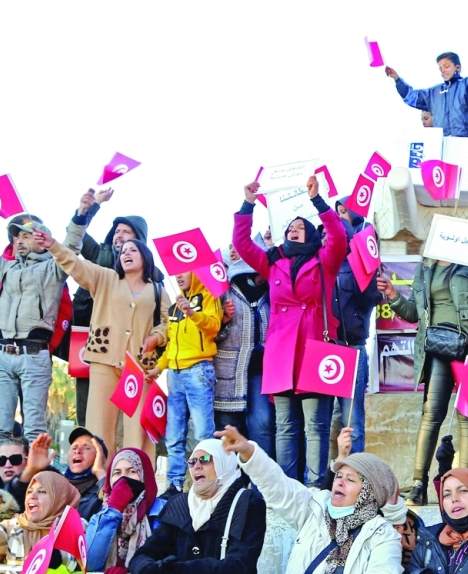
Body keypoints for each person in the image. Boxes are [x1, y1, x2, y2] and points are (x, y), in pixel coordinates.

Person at [218, 425, 401, 574]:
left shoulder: (383, 535)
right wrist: (249, 452)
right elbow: (278, 486)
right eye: (338, 476)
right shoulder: (314, 508)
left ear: (369, 492)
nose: (339, 482)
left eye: (350, 480)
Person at [233, 177, 346, 484]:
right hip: (281, 354)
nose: (292, 230)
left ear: (309, 232)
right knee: (285, 426)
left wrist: (318, 202)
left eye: (298, 227)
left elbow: (338, 237)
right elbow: (242, 244)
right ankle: (287, 487)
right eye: (289, 228)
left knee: (316, 426)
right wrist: (248, 204)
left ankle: (315, 486)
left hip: (314, 351)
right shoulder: (273, 262)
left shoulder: (324, 260)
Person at [376, 253, 468, 505]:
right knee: (431, 414)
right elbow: (414, 313)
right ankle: (418, 484)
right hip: (438, 347)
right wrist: (393, 295)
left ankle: (466, 486)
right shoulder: (425, 268)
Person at [32, 223, 169, 461]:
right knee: (99, 428)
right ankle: (100, 484)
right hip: (104, 363)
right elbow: (76, 264)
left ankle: (137, 482)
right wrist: (53, 245)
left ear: (145, 257)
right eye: (124, 250)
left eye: (133, 250)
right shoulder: (105, 278)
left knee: (138, 429)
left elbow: (168, 323)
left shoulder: (157, 290)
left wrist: (156, 336)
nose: (126, 253)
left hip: (139, 368)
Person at [0, 214, 82, 441]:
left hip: (33, 355)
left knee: (33, 429)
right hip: (1, 356)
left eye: (26, 236)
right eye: (17, 236)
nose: (19, 240)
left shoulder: (54, 270)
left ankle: (35, 477)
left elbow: (71, 248)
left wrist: (82, 214)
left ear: (41, 241)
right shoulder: (5, 268)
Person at [129, 439, 268, 574]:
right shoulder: (178, 504)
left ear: (224, 462)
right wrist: (149, 572)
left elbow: (238, 564)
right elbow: (144, 554)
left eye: (205, 459)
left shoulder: (248, 502)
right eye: (192, 462)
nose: (197, 466)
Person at [70, 188, 163, 425]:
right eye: (117, 231)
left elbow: (162, 317)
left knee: (132, 419)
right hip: (92, 344)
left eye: (126, 232)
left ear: (139, 241)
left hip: (134, 354)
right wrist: (91, 207)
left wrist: (156, 337)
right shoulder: (98, 254)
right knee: (92, 412)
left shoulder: (154, 277)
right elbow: (73, 242)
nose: (119, 236)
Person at [146, 271, 222, 497]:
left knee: (202, 432)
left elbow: (213, 326)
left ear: (195, 273)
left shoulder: (209, 296)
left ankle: (207, 482)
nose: (179, 276)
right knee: (173, 433)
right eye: (176, 273)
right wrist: (158, 368)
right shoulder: (173, 307)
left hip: (199, 369)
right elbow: (170, 346)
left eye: (183, 272)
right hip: (175, 374)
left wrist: (191, 312)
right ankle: (174, 485)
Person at [325, 199, 381, 455]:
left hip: (352, 348)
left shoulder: (361, 258)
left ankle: (357, 475)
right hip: (323, 351)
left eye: (343, 212)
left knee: (352, 421)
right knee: (323, 423)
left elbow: (371, 299)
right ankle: (328, 479)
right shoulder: (321, 262)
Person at [85, 447, 167, 574]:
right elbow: (90, 562)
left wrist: (133, 571)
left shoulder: (164, 511)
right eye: (117, 473)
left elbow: (169, 557)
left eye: (132, 471)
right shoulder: (100, 515)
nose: (124, 478)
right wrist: (114, 509)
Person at [214, 243, 276, 459]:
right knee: (228, 430)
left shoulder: (272, 290)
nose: (233, 250)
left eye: (239, 246)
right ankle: (232, 487)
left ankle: (263, 487)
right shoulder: (223, 289)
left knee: (263, 424)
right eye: (230, 247)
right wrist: (223, 321)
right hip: (228, 373)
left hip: (262, 371)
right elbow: (211, 334)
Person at [386, 48, 468, 138]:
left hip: (463, 140)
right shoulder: (433, 92)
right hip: (440, 141)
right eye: (440, 68)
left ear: (457, 67)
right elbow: (411, 97)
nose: (443, 71)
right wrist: (397, 79)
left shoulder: (466, 84)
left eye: (446, 66)